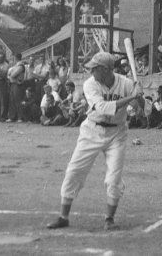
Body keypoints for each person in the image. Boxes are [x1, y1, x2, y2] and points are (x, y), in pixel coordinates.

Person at [47, 52, 143, 231]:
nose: (91, 71)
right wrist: (131, 97)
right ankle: (63, 217)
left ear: (105, 70)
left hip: (117, 133)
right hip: (92, 130)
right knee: (74, 170)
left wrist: (139, 96)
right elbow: (105, 108)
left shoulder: (127, 84)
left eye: (94, 68)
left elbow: (141, 111)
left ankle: (109, 219)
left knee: (114, 178)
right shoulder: (90, 84)